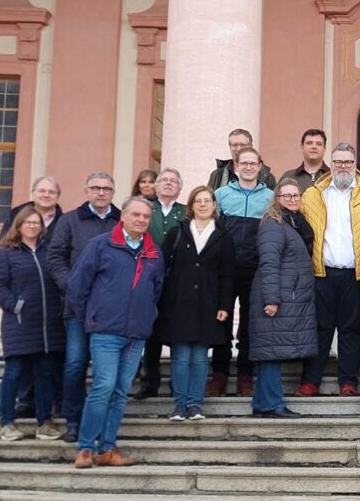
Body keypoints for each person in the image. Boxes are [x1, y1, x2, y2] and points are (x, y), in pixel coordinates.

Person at [68, 196, 164, 468]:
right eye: (136, 215)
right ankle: (86, 448)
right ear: (123, 216)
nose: (141, 220)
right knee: (103, 387)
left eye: (146, 216)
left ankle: (107, 449)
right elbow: (77, 286)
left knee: (121, 391)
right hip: (106, 331)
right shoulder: (100, 245)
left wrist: (148, 317)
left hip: (136, 335)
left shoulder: (154, 252)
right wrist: (92, 317)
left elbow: (156, 290)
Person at [298, 143, 360, 397]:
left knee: (352, 329)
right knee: (319, 328)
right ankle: (310, 381)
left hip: (356, 274)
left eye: (348, 162)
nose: (343, 166)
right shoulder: (313, 194)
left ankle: (348, 381)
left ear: (355, 164)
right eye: (338, 162)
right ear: (331, 163)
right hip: (321, 273)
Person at [48, 172, 121, 444]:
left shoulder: (122, 221)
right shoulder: (69, 220)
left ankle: (100, 421)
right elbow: (55, 257)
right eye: (96, 188)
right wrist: (71, 286)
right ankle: (73, 420)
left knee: (105, 369)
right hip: (77, 307)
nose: (101, 192)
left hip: (111, 309)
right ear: (86, 190)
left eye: (106, 188)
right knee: (75, 363)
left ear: (113, 192)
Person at [154, 185, 235, 421]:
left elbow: (227, 275)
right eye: (198, 201)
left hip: (208, 304)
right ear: (191, 205)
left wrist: (224, 306)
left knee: (199, 358)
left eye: (207, 200)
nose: (202, 204)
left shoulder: (223, 236)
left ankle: (195, 404)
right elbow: (162, 267)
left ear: (214, 205)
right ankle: (180, 405)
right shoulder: (178, 232)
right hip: (178, 302)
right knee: (180, 357)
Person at [0, 206, 65, 441]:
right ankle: (7, 423)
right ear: (19, 225)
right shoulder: (5, 253)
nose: (32, 226)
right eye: (28, 223)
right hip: (19, 323)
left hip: (48, 326)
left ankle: (45, 422)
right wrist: (15, 306)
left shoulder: (48, 252)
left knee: (45, 374)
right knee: (14, 373)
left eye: (36, 223)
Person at [211, 146, 274, 397]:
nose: (248, 167)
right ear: (236, 167)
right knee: (221, 321)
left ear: (260, 167)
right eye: (243, 163)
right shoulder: (221, 194)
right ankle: (219, 373)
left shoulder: (270, 197)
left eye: (253, 163)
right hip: (225, 269)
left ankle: (245, 374)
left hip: (255, 269)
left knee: (250, 323)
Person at [250, 180, 316, 418]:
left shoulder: (292, 223)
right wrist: (271, 299)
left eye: (296, 195)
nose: (292, 199)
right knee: (272, 350)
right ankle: (272, 404)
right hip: (276, 297)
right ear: (276, 199)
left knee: (272, 349)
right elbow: (269, 263)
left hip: (287, 296)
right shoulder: (273, 224)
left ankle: (262, 403)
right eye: (286, 195)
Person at [135, 168, 187, 400]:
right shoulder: (146, 210)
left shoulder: (185, 212)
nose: (168, 183)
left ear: (180, 187)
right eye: (164, 180)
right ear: (156, 186)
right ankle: (149, 381)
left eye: (173, 181)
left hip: (178, 280)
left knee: (176, 331)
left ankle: (178, 383)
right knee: (151, 332)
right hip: (148, 277)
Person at [207, 128, 277, 193]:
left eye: (243, 145)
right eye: (235, 145)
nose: (238, 149)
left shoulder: (267, 177)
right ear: (230, 147)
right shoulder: (217, 175)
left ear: (251, 146)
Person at [0, 176, 64, 241]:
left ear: (58, 196)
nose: (46, 195)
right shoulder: (16, 214)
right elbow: (3, 243)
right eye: (42, 191)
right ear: (33, 193)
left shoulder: (64, 221)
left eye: (52, 192)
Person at [282, 128, 330, 193]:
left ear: (324, 149)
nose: (314, 147)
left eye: (319, 144)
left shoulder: (332, 177)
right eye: (309, 143)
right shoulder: (288, 177)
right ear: (302, 147)